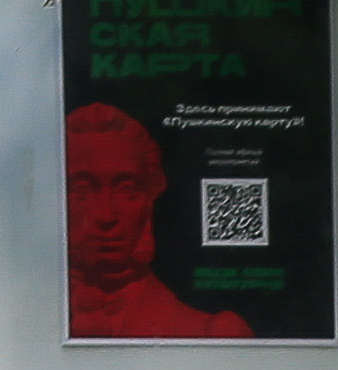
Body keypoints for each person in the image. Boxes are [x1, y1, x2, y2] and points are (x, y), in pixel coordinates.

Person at [64, 105, 246, 341]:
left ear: (149, 200)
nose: (106, 215)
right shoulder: (12, 321)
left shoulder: (212, 332)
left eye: (127, 191)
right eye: (83, 190)